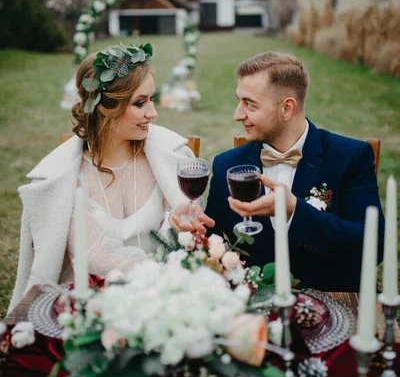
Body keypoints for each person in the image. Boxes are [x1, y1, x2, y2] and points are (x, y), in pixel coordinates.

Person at [9, 42, 197, 311]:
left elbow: (183, 235)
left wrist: (180, 227)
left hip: (169, 297)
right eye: (140, 103)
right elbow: (97, 259)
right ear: (106, 108)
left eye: (152, 99)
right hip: (92, 307)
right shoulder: (64, 177)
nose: (153, 113)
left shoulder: (172, 157)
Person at [202, 52, 384, 292]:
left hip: (334, 303)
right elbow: (211, 246)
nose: (238, 114)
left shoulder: (350, 157)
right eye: (239, 101)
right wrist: (192, 231)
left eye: (250, 104)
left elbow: (375, 245)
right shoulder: (227, 165)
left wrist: (295, 211)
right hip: (255, 308)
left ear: (287, 108)